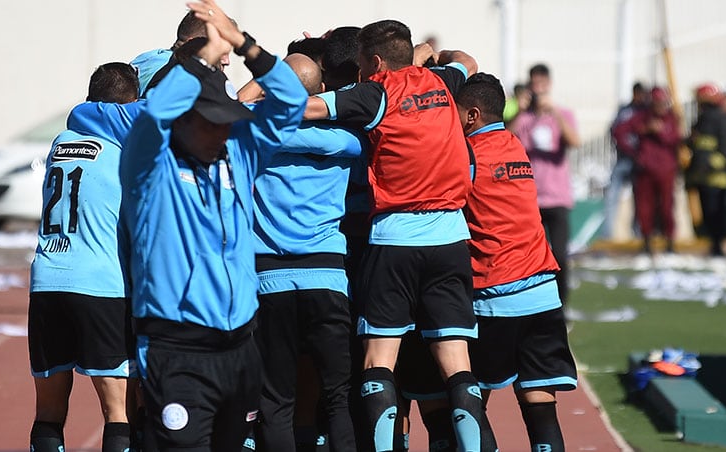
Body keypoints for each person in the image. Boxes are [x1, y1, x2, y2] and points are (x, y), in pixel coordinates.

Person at [119, 0, 307, 449]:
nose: (222, 131)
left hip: (241, 348)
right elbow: (154, 114)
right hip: (179, 352)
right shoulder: (149, 168)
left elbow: (291, 102)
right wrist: (204, 54)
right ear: (184, 120)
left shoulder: (238, 153)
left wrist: (244, 46)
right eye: (211, 122)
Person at [304, 19, 496, 452]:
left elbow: (310, 108)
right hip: (449, 239)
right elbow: (467, 60)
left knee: (378, 362)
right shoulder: (444, 81)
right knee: (457, 366)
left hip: (394, 240)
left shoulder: (375, 91)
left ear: (373, 62)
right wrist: (429, 52)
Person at [456, 72, 578, 452]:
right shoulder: (515, 144)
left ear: (472, 115)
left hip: (495, 295)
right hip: (543, 292)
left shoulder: (468, 155)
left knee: (468, 399)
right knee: (540, 406)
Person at [251, 52, 364, 452]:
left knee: (277, 401)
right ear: (320, 94)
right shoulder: (350, 141)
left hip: (269, 278)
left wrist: (267, 81)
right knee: (337, 399)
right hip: (328, 277)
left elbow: (233, 108)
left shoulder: (255, 134)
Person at [28, 62, 141, 452]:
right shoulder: (124, 153)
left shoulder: (60, 143)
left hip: (47, 281)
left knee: (48, 412)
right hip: (100, 285)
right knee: (118, 411)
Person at [510, 63, 580, 306]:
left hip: (557, 197)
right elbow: (506, 138)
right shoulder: (524, 118)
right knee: (527, 255)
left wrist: (556, 114)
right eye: (534, 84)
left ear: (549, 84)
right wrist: (520, 112)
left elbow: (574, 141)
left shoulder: (563, 114)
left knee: (559, 254)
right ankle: (531, 304)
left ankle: (562, 305)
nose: (538, 89)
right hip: (529, 198)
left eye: (542, 84)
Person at [613, 86, 681, 254]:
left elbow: (676, 139)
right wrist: (633, 150)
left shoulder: (671, 118)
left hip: (665, 170)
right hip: (645, 170)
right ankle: (646, 240)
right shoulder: (641, 118)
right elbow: (619, 132)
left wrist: (660, 132)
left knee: (666, 206)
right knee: (645, 207)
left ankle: (669, 240)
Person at [685, 82, 726, 256]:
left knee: (715, 213)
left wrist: (711, 164)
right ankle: (715, 246)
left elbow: (725, 149)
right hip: (706, 176)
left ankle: (717, 247)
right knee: (711, 213)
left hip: (715, 177)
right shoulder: (705, 119)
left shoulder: (718, 119)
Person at [603, 81, 649, 240]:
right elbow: (616, 131)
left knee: (641, 198)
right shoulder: (625, 110)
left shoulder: (647, 111)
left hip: (640, 162)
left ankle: (638, 234)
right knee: (612, 196)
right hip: (623, 159)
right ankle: (607, 234)